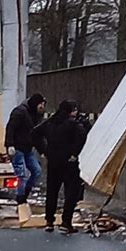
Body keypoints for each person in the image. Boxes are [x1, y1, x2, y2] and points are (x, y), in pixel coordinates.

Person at [32, 100, 87, 234]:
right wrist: (75, 153)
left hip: (53, 161)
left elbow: (34, 133)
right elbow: (82, 136)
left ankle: (49, 221)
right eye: (73, 110)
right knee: (70, 193)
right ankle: (66, 222)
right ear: (69, 111)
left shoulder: (50, 122)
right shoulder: (73, 124)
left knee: (52, 191)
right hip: (69, 162)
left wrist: (43, 151)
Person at [5, 93, 46, 204]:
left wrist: (42, 150)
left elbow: (37, 135)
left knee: (36, 171)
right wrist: (10, 145)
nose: (42, 107)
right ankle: (20, 198)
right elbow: (10, 128)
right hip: (17, 148)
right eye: (41, 105)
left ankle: (25, 192)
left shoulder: (36, 115)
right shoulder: (20, 112)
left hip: (27, 148)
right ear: (36, 104)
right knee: (21, 175)